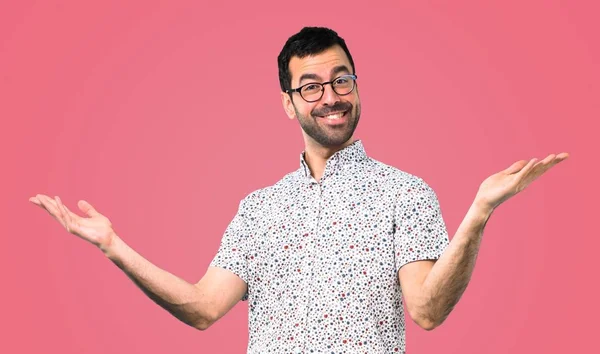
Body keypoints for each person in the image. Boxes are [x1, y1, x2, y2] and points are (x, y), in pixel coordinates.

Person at [30, 27, 569, 353]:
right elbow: (200, 308)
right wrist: (112, 246)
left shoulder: (405, 193)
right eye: (310, 86)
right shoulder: (260, 209)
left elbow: (427, 311)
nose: (331, 96)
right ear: (289, 102)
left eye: (342, 80)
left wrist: (477, 213)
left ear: (357, 86)